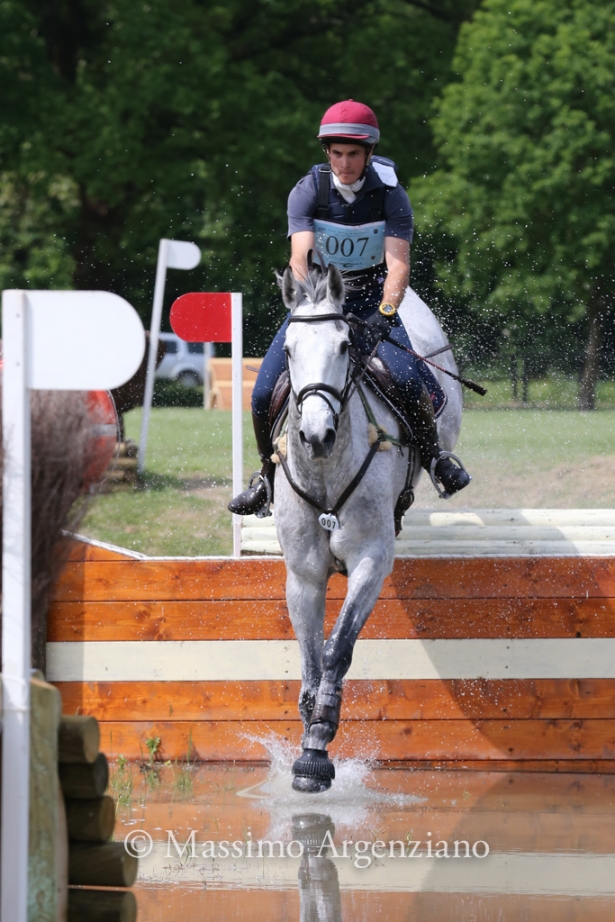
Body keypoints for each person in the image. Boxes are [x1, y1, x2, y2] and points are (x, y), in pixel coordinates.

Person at [229, 99, 470, 517]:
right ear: (327, 152)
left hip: (371, 300)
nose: (344, 163)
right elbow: (300, 258)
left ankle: (435, 459)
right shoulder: (308, 191)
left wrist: (387, 315)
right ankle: (266, 479)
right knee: (264, 391)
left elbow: (398, 266)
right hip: (319, 301)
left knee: (412, 380)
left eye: (353, 154)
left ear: (369, 154)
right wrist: (310, 302)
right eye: (337, 153)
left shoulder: (392, 195)